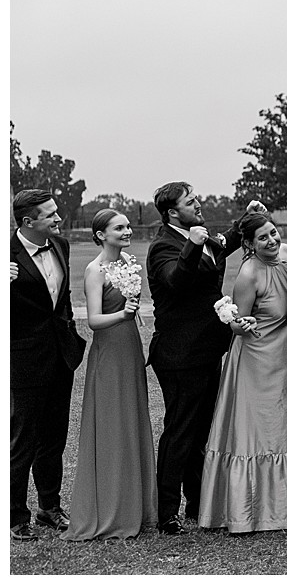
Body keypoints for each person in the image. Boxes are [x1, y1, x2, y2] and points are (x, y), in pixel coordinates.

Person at [146, 182, 260, 535]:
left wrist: (246, 219)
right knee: (180, 431)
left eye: (196, 199)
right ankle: (167, 512)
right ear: (172, 213)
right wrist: (192, 246)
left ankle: (197, 502)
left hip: (208, 349)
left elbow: (223, 245)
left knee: (202, 432)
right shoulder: (163, 246)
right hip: (179, 354)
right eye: (190, 202)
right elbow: (175, 282)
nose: (198, 205)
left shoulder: (202, 237)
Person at [197, 212, 287, 534]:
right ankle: (252, 511)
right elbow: (236, 323)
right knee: (259, 433)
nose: (272, 240)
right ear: (248, 244)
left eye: (273, 233)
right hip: (256, 361)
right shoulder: (248, 274)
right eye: (263, 238)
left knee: (285, 427)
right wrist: (240, 323)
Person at [63, 209, 157, 540]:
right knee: (112, 423)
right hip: (109, 352)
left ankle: (135, 505)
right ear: (102, 235)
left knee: (132, 418)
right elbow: (93, 321)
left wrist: (131, 312)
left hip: (130, 347)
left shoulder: (130, 262)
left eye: (128, 226)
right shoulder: (95, 270)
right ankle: (111, 509)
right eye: (119, 228)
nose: (127, 231)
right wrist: (122, 314)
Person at [9, 189, 86, 541]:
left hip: (60, 355)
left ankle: (49, 508)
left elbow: (62, 298)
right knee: (22, 439)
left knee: (54, 437)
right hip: (24, 359)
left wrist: (70, 333)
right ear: (28, 221)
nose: (58, 218)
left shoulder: (60, 245)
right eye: (50, 214)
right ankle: (15, 516)